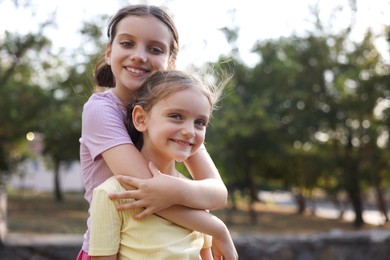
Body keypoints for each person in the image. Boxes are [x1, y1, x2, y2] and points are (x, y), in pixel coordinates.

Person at [77, 4, 236, 260]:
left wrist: (200, 211)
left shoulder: (179, 118)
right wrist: (216, 228)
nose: (140, 56)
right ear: (109, 52)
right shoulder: (100, 110)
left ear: (170, 62)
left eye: (155, 49)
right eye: (127, 43)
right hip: (116, 248)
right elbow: (145, 190)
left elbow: (217, 193)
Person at [89, 70, 236, 259]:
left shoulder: (196, 194)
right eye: (176, 116)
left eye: (200, 122)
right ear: (141, 119)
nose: (190, 131)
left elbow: (205, 255)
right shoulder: (111, 194)